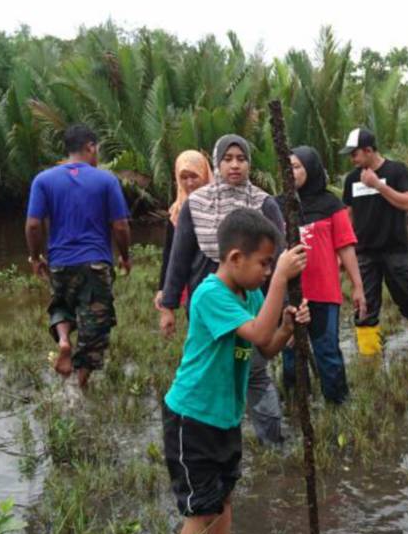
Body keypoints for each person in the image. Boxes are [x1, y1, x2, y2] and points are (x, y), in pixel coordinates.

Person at [161, 208, 309, 534]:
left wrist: (287, 329)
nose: (269, 271)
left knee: (224, 499)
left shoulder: (251, 294)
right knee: (200, 510)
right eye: (264, 263)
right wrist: (279, 285)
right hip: (192, 417)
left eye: (272, 265)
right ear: (235, 258)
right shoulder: (209, 294)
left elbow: (265, 346)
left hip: (225, 418)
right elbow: (259, 331)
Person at [160, 134, 289, 445]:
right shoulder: (196, 204)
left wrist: (282, 310)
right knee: (216, 366)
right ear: (216, 164)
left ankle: (271, 440)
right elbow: (179, 255)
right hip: (208, 299)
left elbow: (279, 261)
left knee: (255, 370)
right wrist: (168, 305)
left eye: (241, 158)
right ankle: (219, 430)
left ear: (249, 163)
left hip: (253, 300)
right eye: (227, 159)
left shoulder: (264, 203)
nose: (235, 165)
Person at [25, 124, 132, 390]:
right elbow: (120, 226)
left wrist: (35, 256)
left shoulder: (44, 180)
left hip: (60, 262)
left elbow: (33, 225)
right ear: (90, 147)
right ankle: (79, 385)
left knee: (61, 305)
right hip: (96, 262)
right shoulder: (106, 180)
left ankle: (63, 341)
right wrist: (125, 256)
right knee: (96, 325)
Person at [279, 146, 365, 405]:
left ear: (311, 168)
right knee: (290, 351)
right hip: (288, 294)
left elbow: (346, 247)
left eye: (297, 166)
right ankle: (296, 404)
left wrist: (358, 286)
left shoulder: (330, 204)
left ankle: (337, 404)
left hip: (324, 293)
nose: (291, 172)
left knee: (327, 351)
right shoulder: (278, 204)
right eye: (288, 166)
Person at [340, 126, 408, 355]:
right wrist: (342, 251)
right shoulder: (351, 180)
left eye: (354, 154)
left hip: (395, 250)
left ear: (368, 150)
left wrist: (378, 185)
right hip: (364, 253)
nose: (352, 159)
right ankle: (370, 359)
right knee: (364, 305)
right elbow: (347, 217)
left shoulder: (397, 171)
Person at [156, 150, 212, 310]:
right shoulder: (176, 212)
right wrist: (163, 289)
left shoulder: (218, 206)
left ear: (205, 175)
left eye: (194, 177)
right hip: (191, 282)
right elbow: (170, 253)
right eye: (184, 177)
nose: (189, 183)